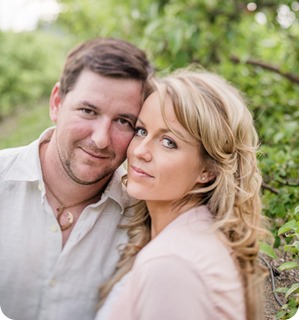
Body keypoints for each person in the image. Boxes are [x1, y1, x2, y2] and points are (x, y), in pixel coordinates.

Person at [0, 37, 154, 320]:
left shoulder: (144, 216)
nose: (100, 139)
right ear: (57, 102)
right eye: (88, 111)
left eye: (123, 121)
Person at [96, 67, 267, 320]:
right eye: (141, 131)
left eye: (168, 142)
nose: (140, 151)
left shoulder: (171, 265)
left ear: (207, 170)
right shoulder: (194, 236)